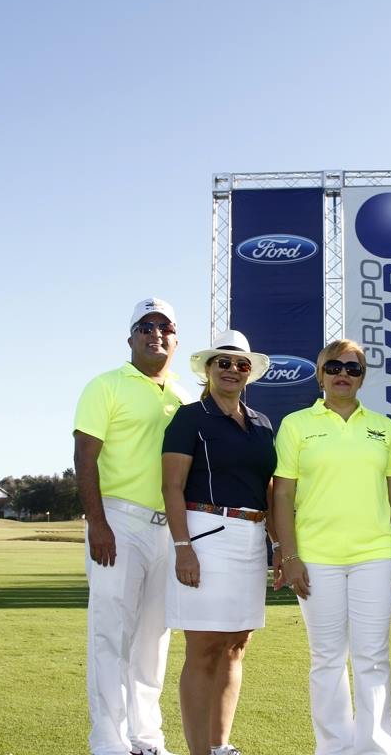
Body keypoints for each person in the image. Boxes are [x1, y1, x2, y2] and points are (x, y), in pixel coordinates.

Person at [272, 339, 391, 755]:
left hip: (375, 555)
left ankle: (373, 749)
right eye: (334, 367)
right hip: (316, 559)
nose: (342, 375)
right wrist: (290, 556)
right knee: (327, 660)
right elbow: (282, 496)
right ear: (320, 375)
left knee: (372, 658)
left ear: (362, 377)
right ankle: (333, 748)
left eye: (352, 369)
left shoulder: (383, 427)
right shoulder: (296, 425)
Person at [73, 297, 191, 755]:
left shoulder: (184, 395)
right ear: (131, 338)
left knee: (153, 641)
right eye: (146, 326)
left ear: (176, 340)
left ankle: (146, 738)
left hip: (168, 529)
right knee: (110, 635)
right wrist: (97, 522)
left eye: (165, 326)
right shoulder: (105, 385)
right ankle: (108, 740)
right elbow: (85, 457)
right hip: (118, 522)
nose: (155, 333)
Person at [162, 330, 278, 755]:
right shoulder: (190, 418)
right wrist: (182, 546)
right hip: (205, 534)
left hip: (251, 538)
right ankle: (198, 751)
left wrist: (279, 546)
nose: (232, 370)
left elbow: (269, 490)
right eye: (223, 363)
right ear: (208, 370)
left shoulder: (263, 424)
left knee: (236, 645)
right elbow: (172, 486)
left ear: (250, 373)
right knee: (205, 648)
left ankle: (219, 744)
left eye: (241, 364)